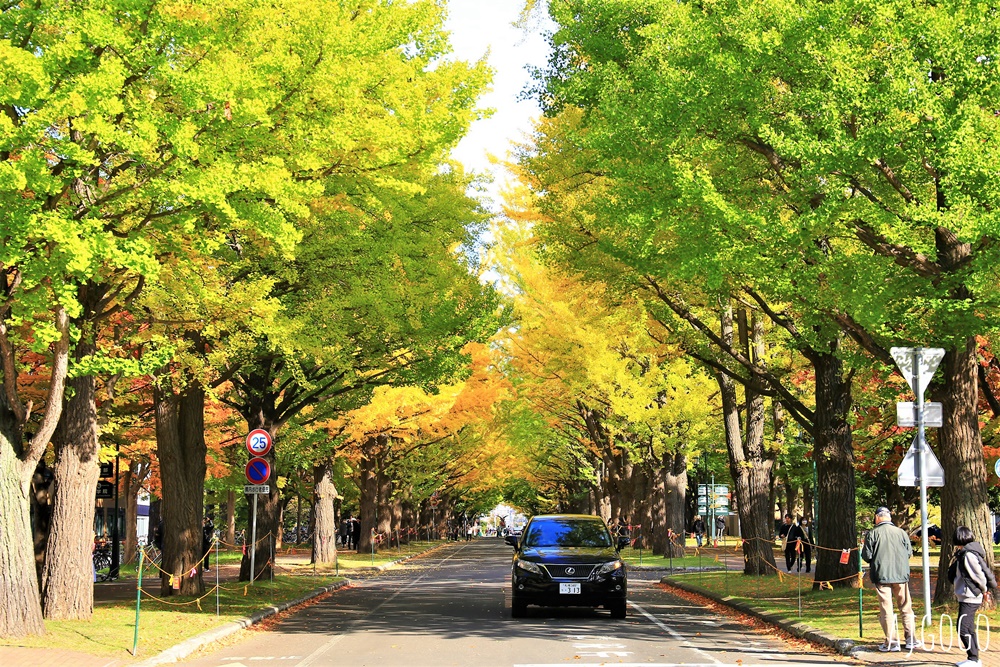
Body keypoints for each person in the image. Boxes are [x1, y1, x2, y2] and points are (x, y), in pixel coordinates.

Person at [861, 507, 918, 652]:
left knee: (886, 608)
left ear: (878, 517)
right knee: (905, 606)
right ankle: (911, 638)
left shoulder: (873, 533)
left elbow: (866, 555)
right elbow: (909, 553)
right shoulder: (901, 533)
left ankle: (892, 642)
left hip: (881, 575)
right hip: (900, 575)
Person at [948, 525, 996, 667]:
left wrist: (984, 590)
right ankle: (973, 658)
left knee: (963, 628)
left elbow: (979, 575)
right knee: (968, 627)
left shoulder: (968, 555)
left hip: (970, 596)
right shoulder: (965, 552)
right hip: (966, 596)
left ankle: (974, 659)